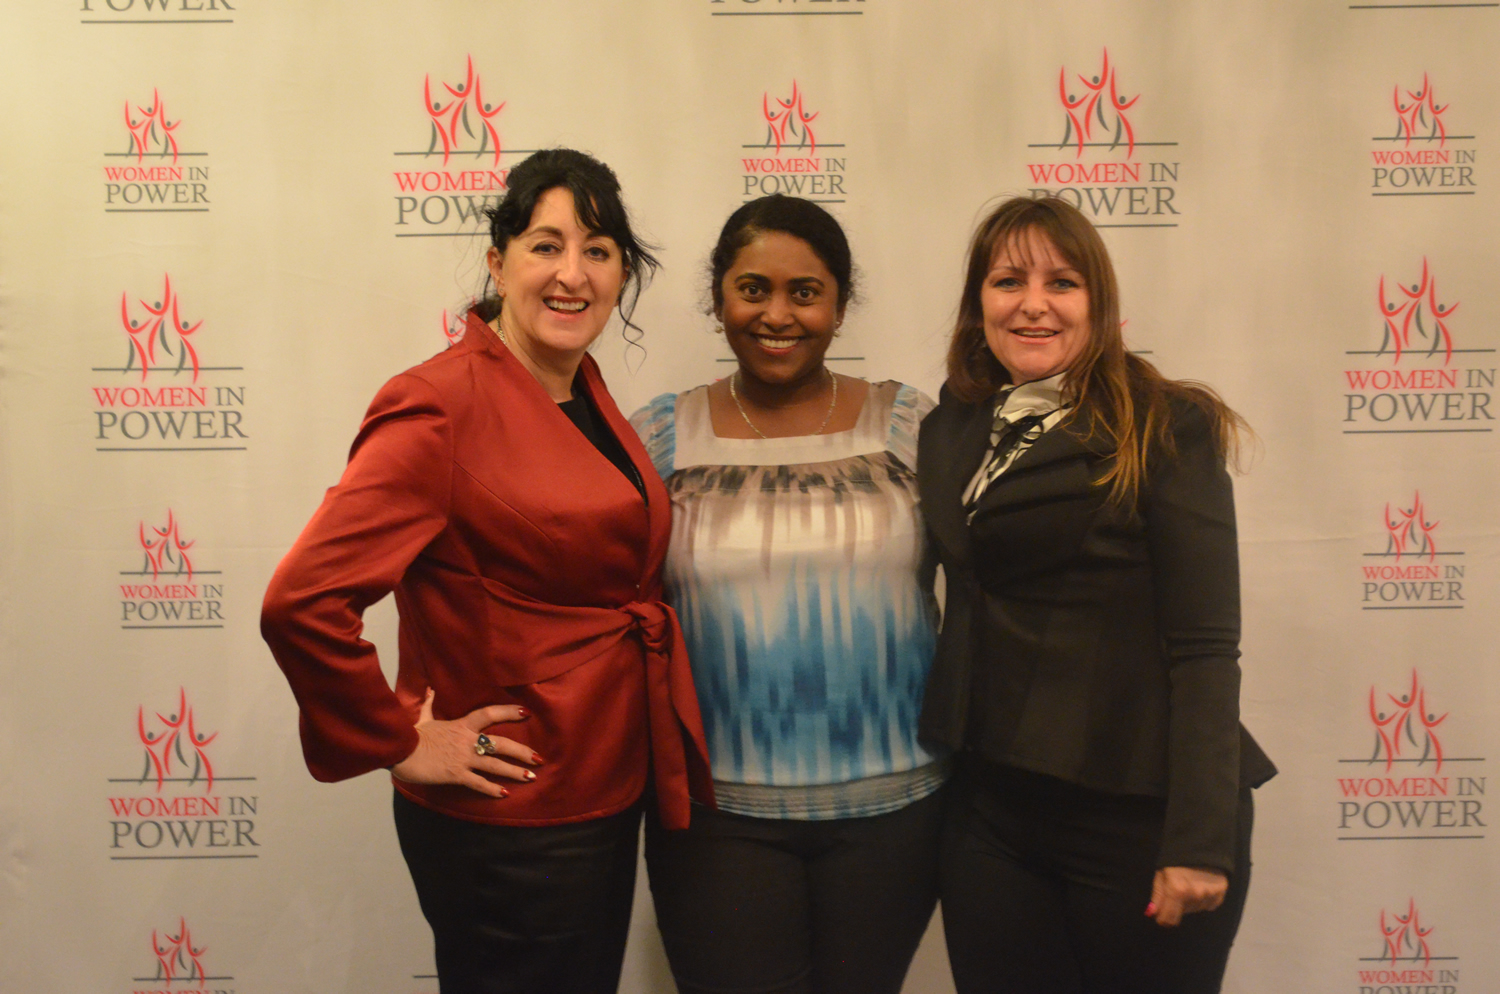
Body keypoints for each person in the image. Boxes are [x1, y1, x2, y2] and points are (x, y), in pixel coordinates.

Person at [260, 148, 713, 994]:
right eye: (546, 246)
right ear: (498, 263)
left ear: (623, 273)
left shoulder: (576, 387)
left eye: (598, 250)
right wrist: (398, 739)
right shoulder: (440, 403)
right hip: (515, 811)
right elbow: (303, 600)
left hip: (600, 779)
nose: (573, 274)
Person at [918, 195, 1277, 994]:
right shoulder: (951, 426)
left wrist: (1198, 840)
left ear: (1099, 303)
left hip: (1136, 813)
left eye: (1062, 282)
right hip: (990, 811)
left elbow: (1205, 646)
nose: (1033, 304)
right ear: (979, 304)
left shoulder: (1165, 425)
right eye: (1008, 281)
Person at [630, 194, 946, 994]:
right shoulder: (661, 437)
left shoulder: (910, 425)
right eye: (753, 289)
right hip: (715, 821)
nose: (777, 315)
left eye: (805, 293)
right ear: (718, 300)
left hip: (896, 815)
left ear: (839, 305)